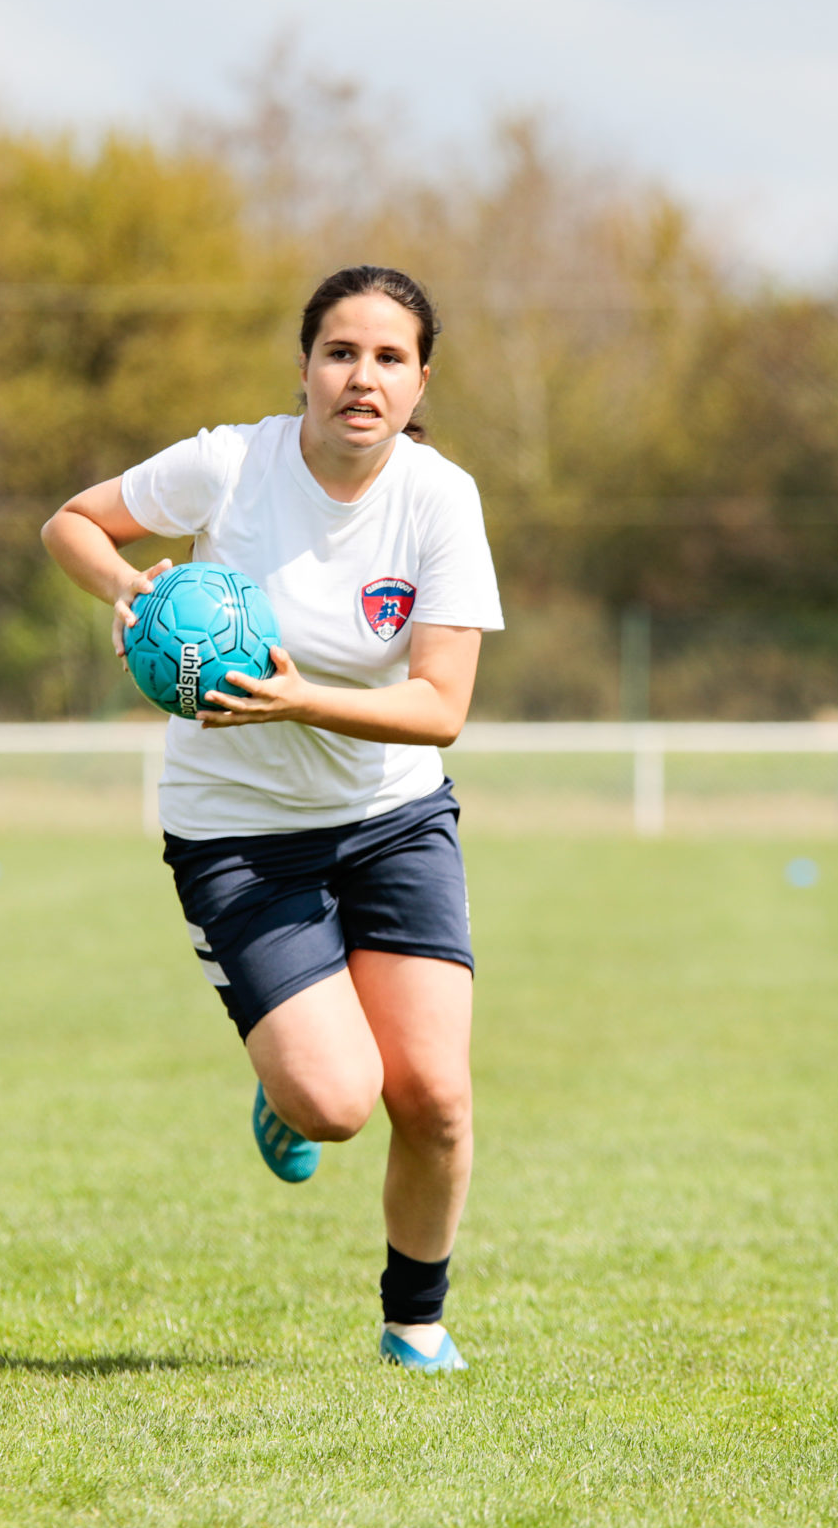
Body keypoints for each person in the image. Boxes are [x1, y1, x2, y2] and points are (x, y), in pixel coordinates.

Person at [39, 265, 502, 1373]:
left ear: (419, 378)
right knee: (340, 1102)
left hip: (390, 819)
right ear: (304, 367)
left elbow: (439, 709)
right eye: (341, 352)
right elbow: (70, 523)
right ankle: (289, 1090)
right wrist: (125, 588)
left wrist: (302, 700)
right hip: (237, 832)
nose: (362, 376)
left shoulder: (440, 500)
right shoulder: (231, 464)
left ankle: (414, 1324)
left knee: (432, 1095)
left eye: (390, 358)